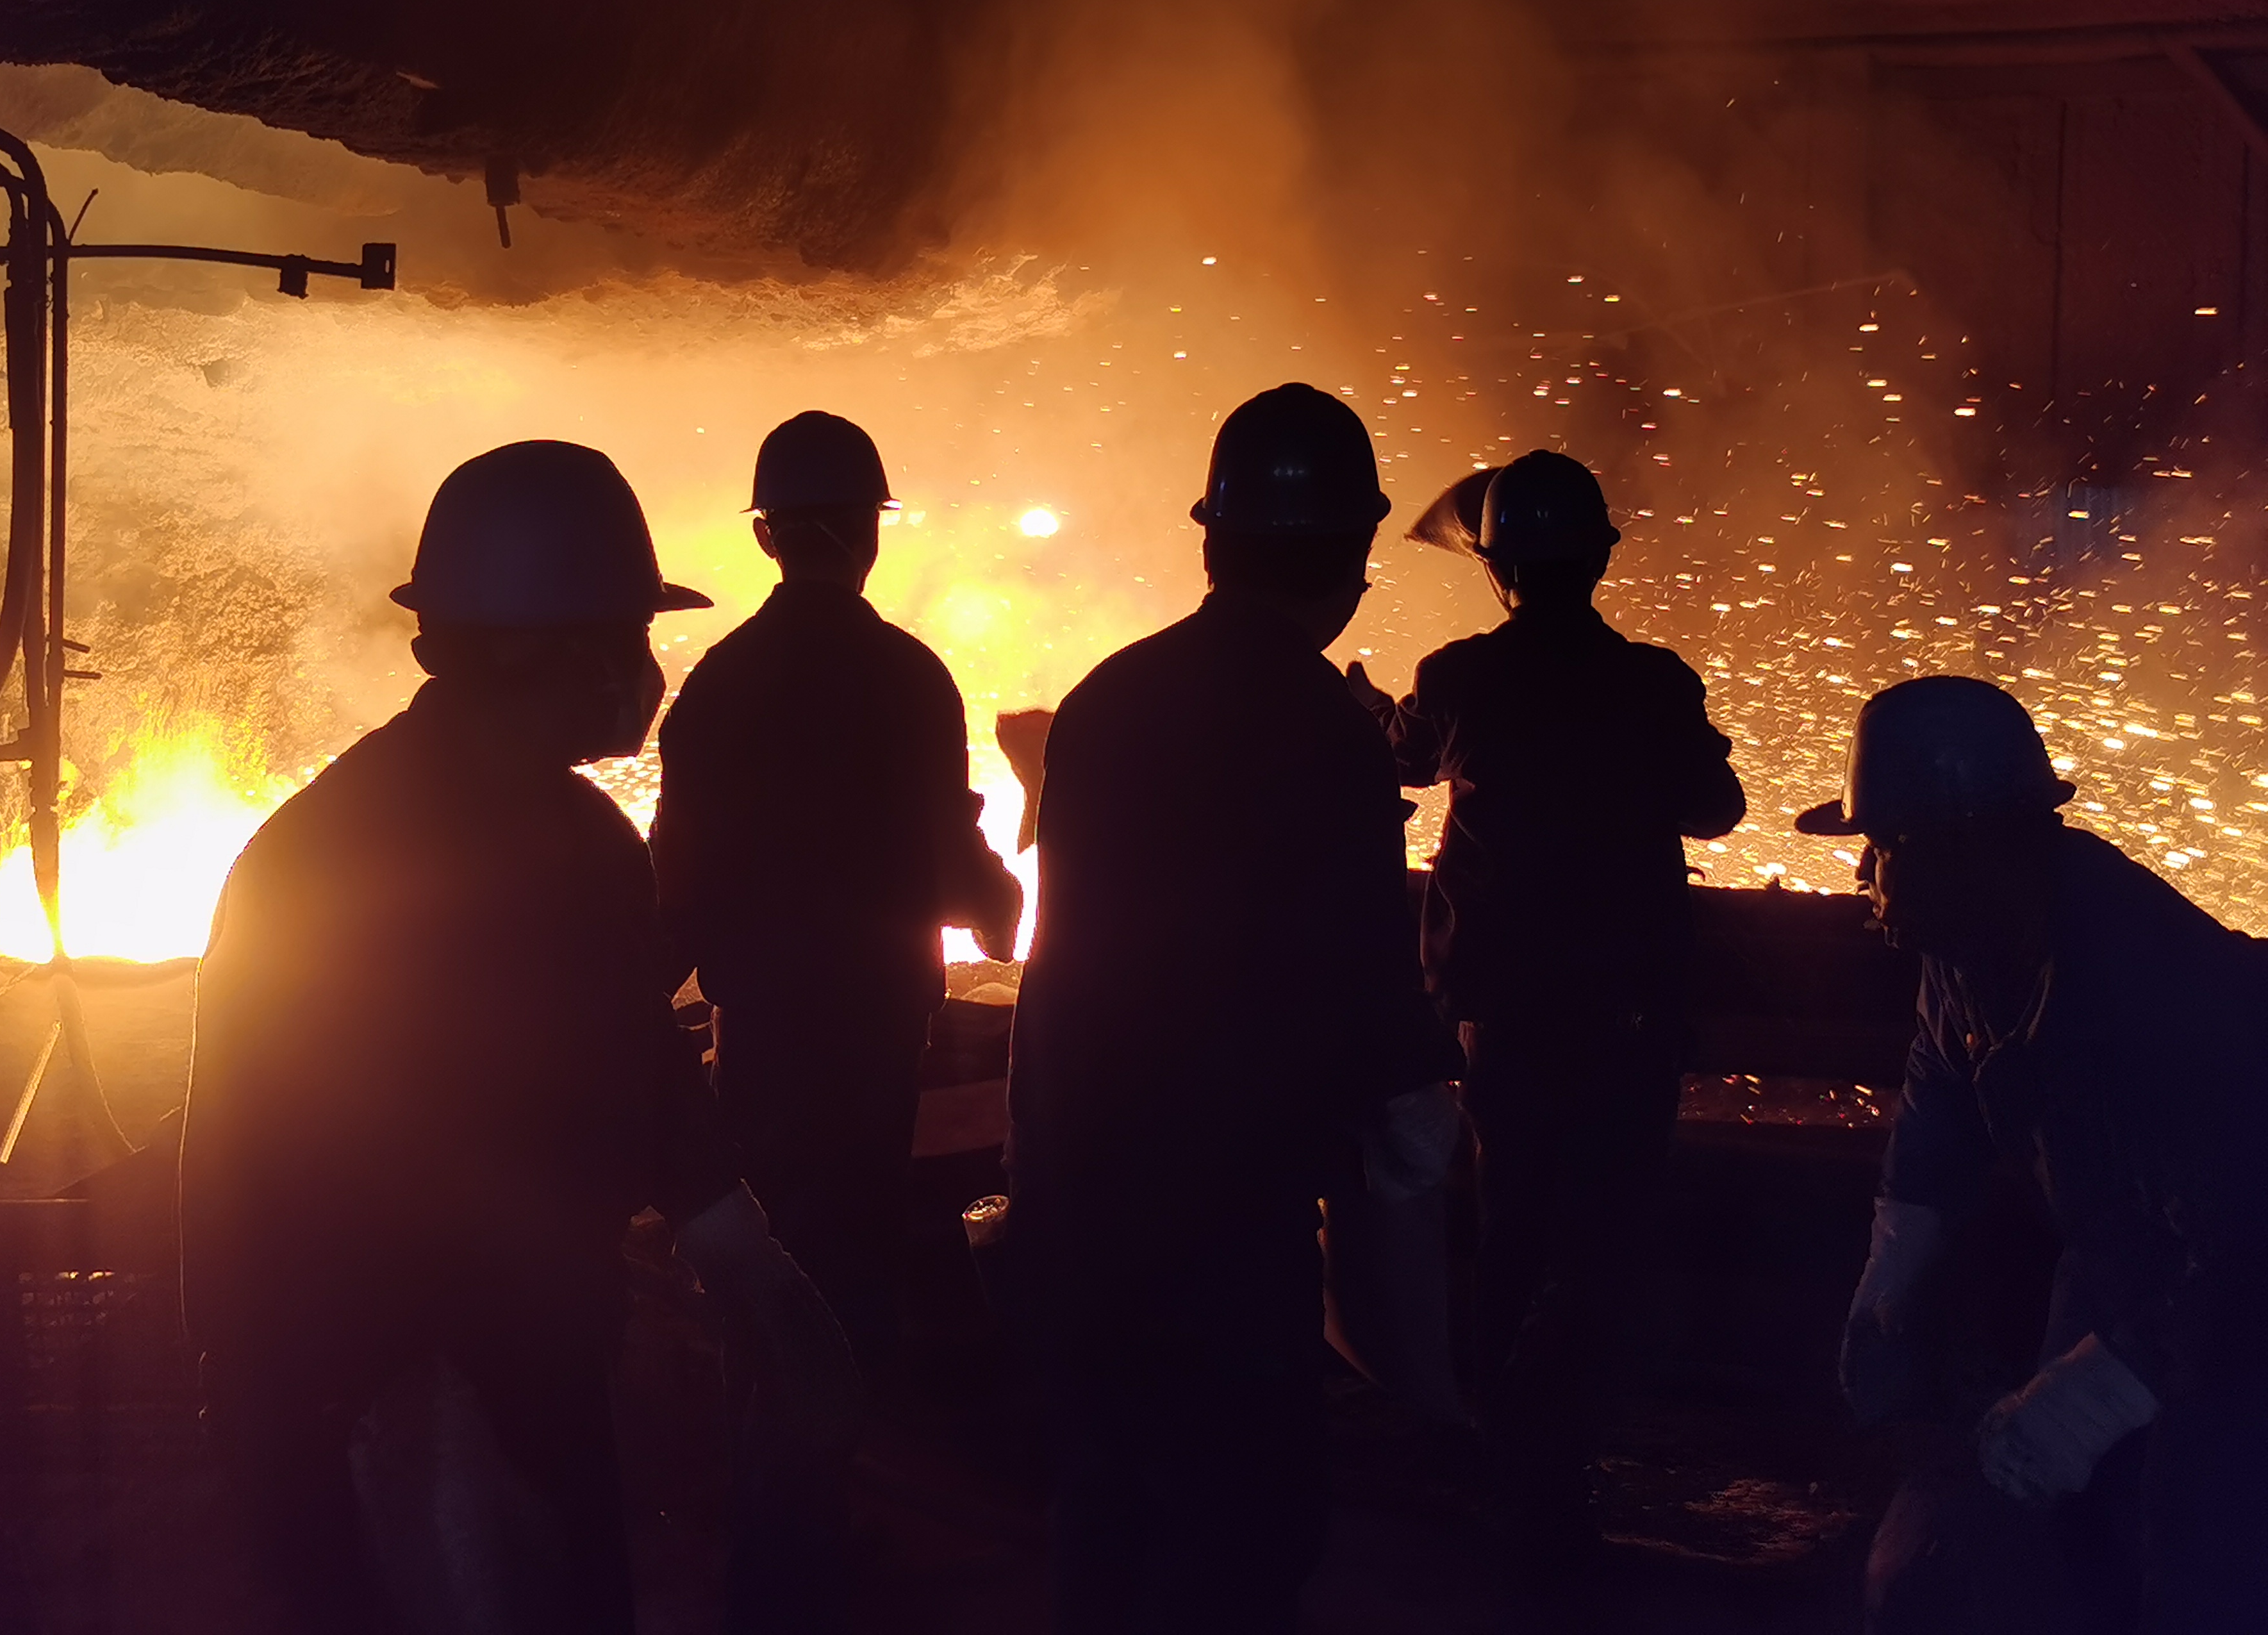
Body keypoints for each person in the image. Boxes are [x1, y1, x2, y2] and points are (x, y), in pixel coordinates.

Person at [181, 440, 854, 1635]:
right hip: (398, 1381)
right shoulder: (352, 863)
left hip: (512, 1366)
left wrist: (731, 1243)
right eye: (631, 636)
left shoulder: (567, 837)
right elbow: (286, 1177)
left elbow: (631, 1051)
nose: (646, 671)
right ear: (560, 652)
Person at [1007, 383, 1462, 1635]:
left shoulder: (1106, 701)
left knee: (1104, 1531)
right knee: (1243, 1539)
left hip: (1088, 1204)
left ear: (1213, 541)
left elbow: (1066, 959)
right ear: (1351, 561)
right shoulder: (1327, 733)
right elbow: (1373, 1013)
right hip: (1228, 1227)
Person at [1801, 676, 2268, 1634]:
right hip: (2120, 1259)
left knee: (2202, 1550)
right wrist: (1899, 1262)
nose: (1861, 876)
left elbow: (2243, 1229)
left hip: (2242, 1295)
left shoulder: (2149, 982)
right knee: (2070, 1539)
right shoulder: (1967, 949)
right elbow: (1940, 1103)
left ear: (1959, 845)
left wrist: (2098, 1393)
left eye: (1879, 847)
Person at [1347, 450, 1744, 1543]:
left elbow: (1404, 763)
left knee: (1518, 1221)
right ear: (1601, 557)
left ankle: (1512, 1451)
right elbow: (1713, 808)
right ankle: (1560, 1445)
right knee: (1603, 1229)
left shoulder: (1462, 675)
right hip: (1629, 1008)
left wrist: (1374, 715)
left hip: (1507, 1009)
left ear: (1500, 568)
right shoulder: (1655, 681)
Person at [651, 411, 1021, 1373]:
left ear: (765, 535)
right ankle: (848, 1436)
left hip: (765, 1018)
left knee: (771, 1230)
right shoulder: (912, 677)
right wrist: (997, 906)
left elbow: (677, 874)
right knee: (861, 1227)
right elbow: (952, 854)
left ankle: (777, 1444)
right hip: (879, 1015)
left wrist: (631, 993)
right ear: (871, 530)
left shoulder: (721, 684)